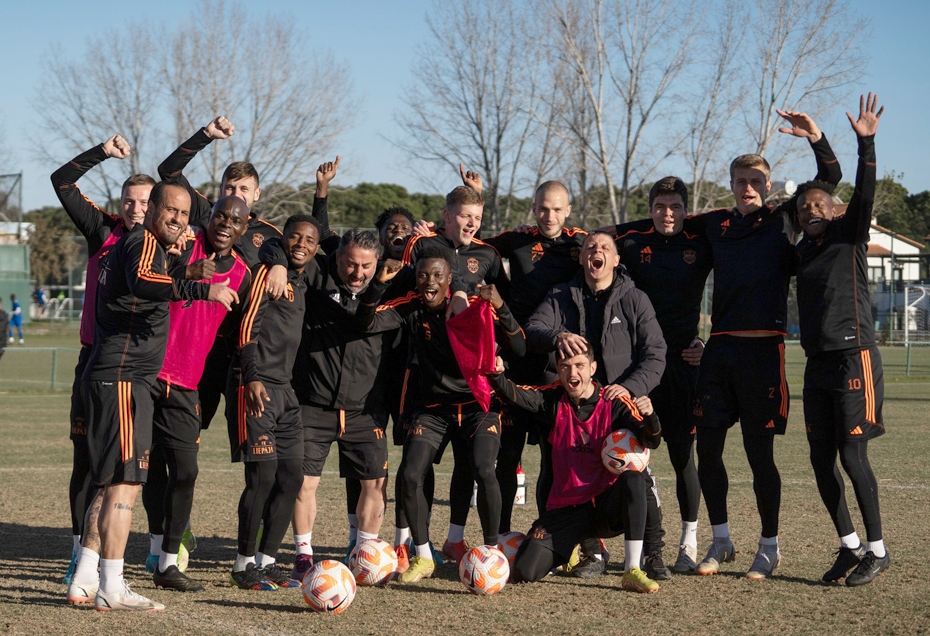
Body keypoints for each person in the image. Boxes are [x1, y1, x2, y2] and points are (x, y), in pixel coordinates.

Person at [688, 109, 842, 579]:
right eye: (741, 181)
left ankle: (769, 547)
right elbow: (662, 229)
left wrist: (815, 137)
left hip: (763, 353)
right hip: (719, 351)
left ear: (768, 186)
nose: (748, 188)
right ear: (731, 185)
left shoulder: (783, 218)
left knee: (760, 457)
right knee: (707, 452)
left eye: (756, 181)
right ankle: (721, 541)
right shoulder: (715, 223)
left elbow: (829, 181)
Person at [76, 181, 238, 611]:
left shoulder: (142, 246)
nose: (179, 219)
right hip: (124, 379)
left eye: (185, 214)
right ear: (151, 210)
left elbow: (145, 280)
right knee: (126, 486)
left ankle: (86, 576)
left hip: (116, 377)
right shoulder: (142, 242)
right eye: (170, 210)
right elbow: (145, 282)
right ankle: (112, 585)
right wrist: (203, 288)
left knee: (112, 483)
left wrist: (184, 271)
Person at [357, 250, 525, 583]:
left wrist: (502, 307)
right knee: (410, 474)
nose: (429, 282)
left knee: (483, 468)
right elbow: (367, 322)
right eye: (423, 276)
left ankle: (491, 552)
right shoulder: (412, 306)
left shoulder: (473, 305)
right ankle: (422, 556)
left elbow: (519, 347)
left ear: (450, 280)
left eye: (437, 276)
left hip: (478, 407)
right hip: (434, 409)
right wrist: (377, 284)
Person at [524, 230, 668, 578]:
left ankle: (652, 553)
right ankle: (590, 552)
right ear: (581, 257)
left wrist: (627, 390)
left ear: (616, 259)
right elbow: (533, 328)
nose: (596, 251)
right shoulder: (561, 294)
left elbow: (655, 354)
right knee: (558, 472)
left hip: (615, 406)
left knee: (636, 472)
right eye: (590, 247)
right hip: (572, 405)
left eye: (604, 247)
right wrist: (557, 335)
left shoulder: (634, 298)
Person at [260, 228, 395, 585]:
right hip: (313, 405)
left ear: (377, 263)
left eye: (366, 266)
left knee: (374, 484)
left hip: (365, 410)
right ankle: (303, 555)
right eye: (350, 264)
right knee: (303, 484)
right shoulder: (317, 276)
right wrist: (277, 263)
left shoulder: (392, 290)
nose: (358, 273)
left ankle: (365, 554)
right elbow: (280, 242)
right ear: (337, 258)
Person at [51, 134, 157, 586]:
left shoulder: (164, 244)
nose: (135, 208)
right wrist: (102, 152)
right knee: (88, 463)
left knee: (132, 469)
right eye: (129, 200)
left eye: (144, 202)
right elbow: (61, 181)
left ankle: (158, 550)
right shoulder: (104, 231)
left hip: (137, 368)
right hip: (93, 362)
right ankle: (80, 554)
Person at [795, 93, 889, 586]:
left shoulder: (848, 234)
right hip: (817, 364)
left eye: (819, 203)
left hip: (855, 359)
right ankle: (850, 546)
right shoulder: (800, 251)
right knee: (820, 459)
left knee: (853, 456)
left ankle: (878, 550)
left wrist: (865, 144)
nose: (811, 208)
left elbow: (864, 192)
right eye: (804, 206)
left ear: (833, 210)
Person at [141, 196, 252, 592]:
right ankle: (157, 551)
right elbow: (149, 279)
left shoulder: (242, 274)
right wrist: (185, 270)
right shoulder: (184, 244)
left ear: (244, 228)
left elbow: (238, 332)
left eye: (235, 220)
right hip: (147, 373)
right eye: (220, 215)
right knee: (144, 467)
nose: (225, 224)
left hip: (188, 383)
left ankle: (169, 562)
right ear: (210, 217)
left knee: (186, 471)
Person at [466, 176, 588, 536]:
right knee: (508, 455)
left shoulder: (579, 243)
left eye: (557, 209)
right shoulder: (517, 240)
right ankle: (502, 536)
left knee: (554, 459)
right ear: (533, 208)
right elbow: (473, 244)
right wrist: (472, 200)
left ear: (568, 211)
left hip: (555, 366)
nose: (549, 216)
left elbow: (610, 252)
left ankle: (551, 534)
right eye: (543, 209)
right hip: (515, 362)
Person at [604, 177, 712, 573]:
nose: (668, 214)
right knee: (630, 455)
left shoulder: (701, 243)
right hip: (641, 366)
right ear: (650, 209)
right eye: (660, 207)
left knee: (683, 456)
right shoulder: (632, 242)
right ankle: (625, 543)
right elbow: (592, 239)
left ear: (686, 209)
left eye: (676, 207)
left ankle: (689, 541)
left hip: (684, 363)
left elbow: (740, 283)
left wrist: (709, 341)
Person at [488, 348, 662, 593]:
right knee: (525, 571)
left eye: (580, 365)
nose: (573, 372)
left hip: (604, 506)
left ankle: (632, 569)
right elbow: (516, 393)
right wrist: (497, 375)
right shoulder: (552, 399)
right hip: (565, 510)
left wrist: (651, 416)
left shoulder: (614, 402)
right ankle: (562, 549)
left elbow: (651, 440)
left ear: (592, 368)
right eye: (565, 366)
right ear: (558, 371)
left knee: (635, 477)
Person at [403, 180, 511, 564]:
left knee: (473, 465)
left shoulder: (488, 254)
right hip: (429, 382)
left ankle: (461, 541)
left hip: (474, 387)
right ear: (447, 216)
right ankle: (417, 546)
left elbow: (503, 306)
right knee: (417, 469)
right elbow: (407, 282)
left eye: (477, 217)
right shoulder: (424, 245)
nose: (471, 223)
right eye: (465, 216)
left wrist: (500, 356)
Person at [226, 215, 324, 591]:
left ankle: (267, 563)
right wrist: (251, 377)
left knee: (292, 477)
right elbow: (246, 328)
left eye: (309, 240)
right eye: (295, 237)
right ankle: (243, 565)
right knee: (263, 477)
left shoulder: (301, 280)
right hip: (255, 386)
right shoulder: (267, 274)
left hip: (286, 391)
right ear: (283, 239)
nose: (301, 244)